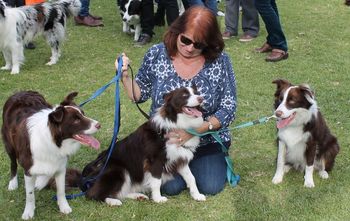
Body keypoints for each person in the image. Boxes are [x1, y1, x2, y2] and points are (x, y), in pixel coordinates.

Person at [117, 6, 237, 195]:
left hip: (206, 138)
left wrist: (195, 131)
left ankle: (198, 162)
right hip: (165, 140)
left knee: (210, 186)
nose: (190, 48)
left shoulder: (221, 61)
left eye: (199, 45)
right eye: (186, 40)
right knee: (171, 188)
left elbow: (229, 107)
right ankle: (181, 165)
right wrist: (124, 76)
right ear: (177, 31)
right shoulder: (156, 54)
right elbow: (139, 95)